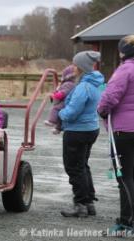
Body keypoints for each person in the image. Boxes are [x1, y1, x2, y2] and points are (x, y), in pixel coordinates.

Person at [58, 51, 104, 217]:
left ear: (81, 67)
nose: (73, 67)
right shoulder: (96, 83)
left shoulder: (83, 87)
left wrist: (60, 114)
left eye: (75, 64)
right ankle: (89, 202)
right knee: (82, 165)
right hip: (91, 128)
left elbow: (72, 112)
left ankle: (80, 205)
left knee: (74, 168)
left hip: (77, 131)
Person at [97, 35, 134, 234]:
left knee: (125, 177)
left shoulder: (125, 69)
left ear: (123, 52)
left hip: (124, 131)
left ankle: (127, 223)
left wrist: (101, 111)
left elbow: (110, 96)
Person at [44, 65, 77, 134]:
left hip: (66, 102)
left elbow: (63, 93)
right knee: (60, 114)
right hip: (66, 101)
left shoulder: (68, 84)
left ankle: (52, 121)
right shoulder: (69, 83)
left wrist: (54, 96)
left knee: (56, 108)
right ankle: (58, 128)